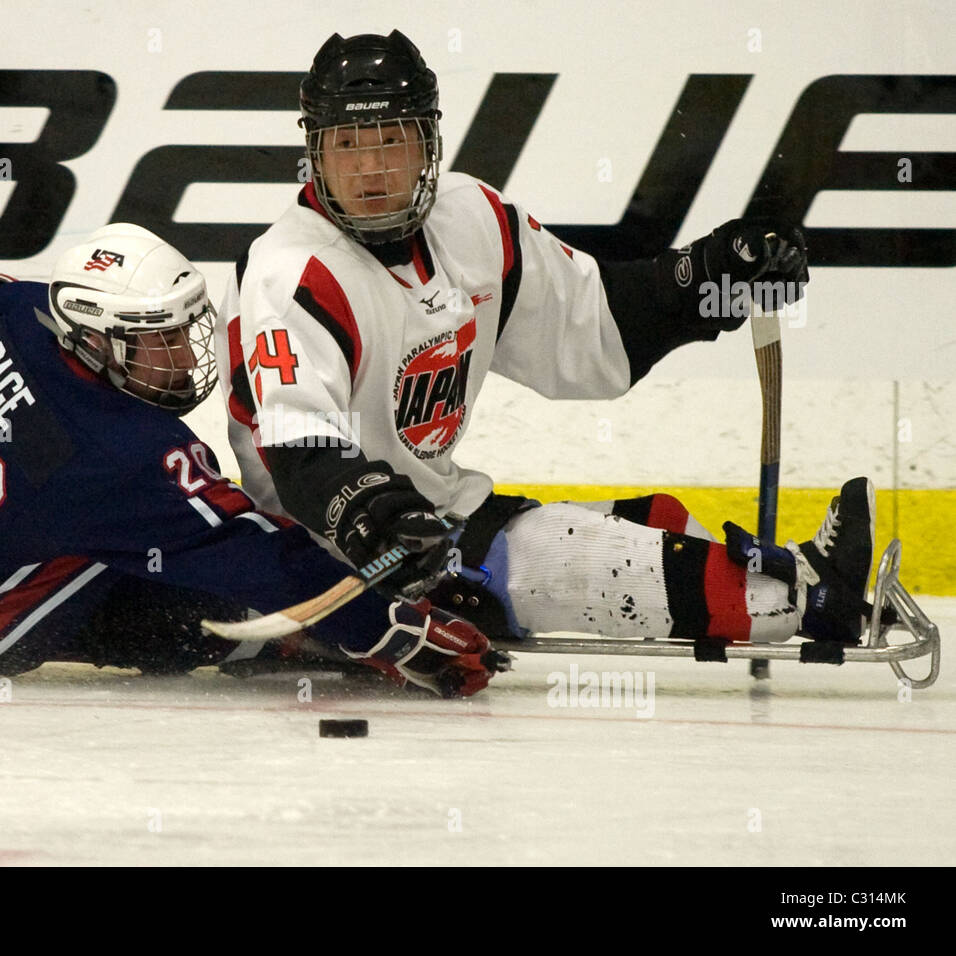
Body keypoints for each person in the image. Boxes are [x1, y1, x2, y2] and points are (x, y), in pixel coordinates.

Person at [215, 30, 876, 647]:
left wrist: (710, 274)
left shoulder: (471, 219)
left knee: (662, 520)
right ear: (316, 153)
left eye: (392, 141)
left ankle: (791, 580)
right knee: (577, 554)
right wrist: (376, 517)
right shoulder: (291, 270)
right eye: (349, 145)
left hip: (439, 516)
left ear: (429, 146)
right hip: (333, 560)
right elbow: (301, 452)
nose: (371, 169)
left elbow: (597, 326)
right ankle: (813, 598)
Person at [0, 223, 507, 697]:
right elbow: (262, 557)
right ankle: (264, 643)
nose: (185, 358)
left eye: (186, 333)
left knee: (134, 537)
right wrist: (394, 633)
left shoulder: (13, 312)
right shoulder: (121, 458)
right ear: (93, 340)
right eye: (160, 343)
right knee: (201, 599)